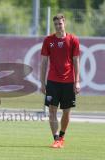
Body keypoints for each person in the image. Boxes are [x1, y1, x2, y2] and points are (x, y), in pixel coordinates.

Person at [40, 14, 80, 148]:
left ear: (64, 23)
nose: (58, 26)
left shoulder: (73, 40)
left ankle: (62, 136)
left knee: (67, 111)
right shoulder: (48, 40)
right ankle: (56, 138)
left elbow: (76, 61)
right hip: (52, 81)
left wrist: (77, 81)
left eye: (60, 24)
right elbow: (44, 62)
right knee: (52, 110)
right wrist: (42, 82)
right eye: (56, 24)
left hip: (68, 82)